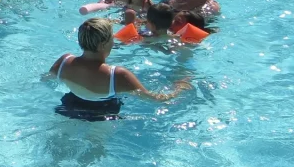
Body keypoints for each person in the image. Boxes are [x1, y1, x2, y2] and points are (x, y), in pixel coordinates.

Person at [48, 18, 191, 119]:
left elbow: (46, 80)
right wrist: (180, 88)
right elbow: (155, 99)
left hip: (67, 109)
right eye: (112, 38)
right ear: (103, 44)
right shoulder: (116, 75)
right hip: (102, 117)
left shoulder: (64, 61)